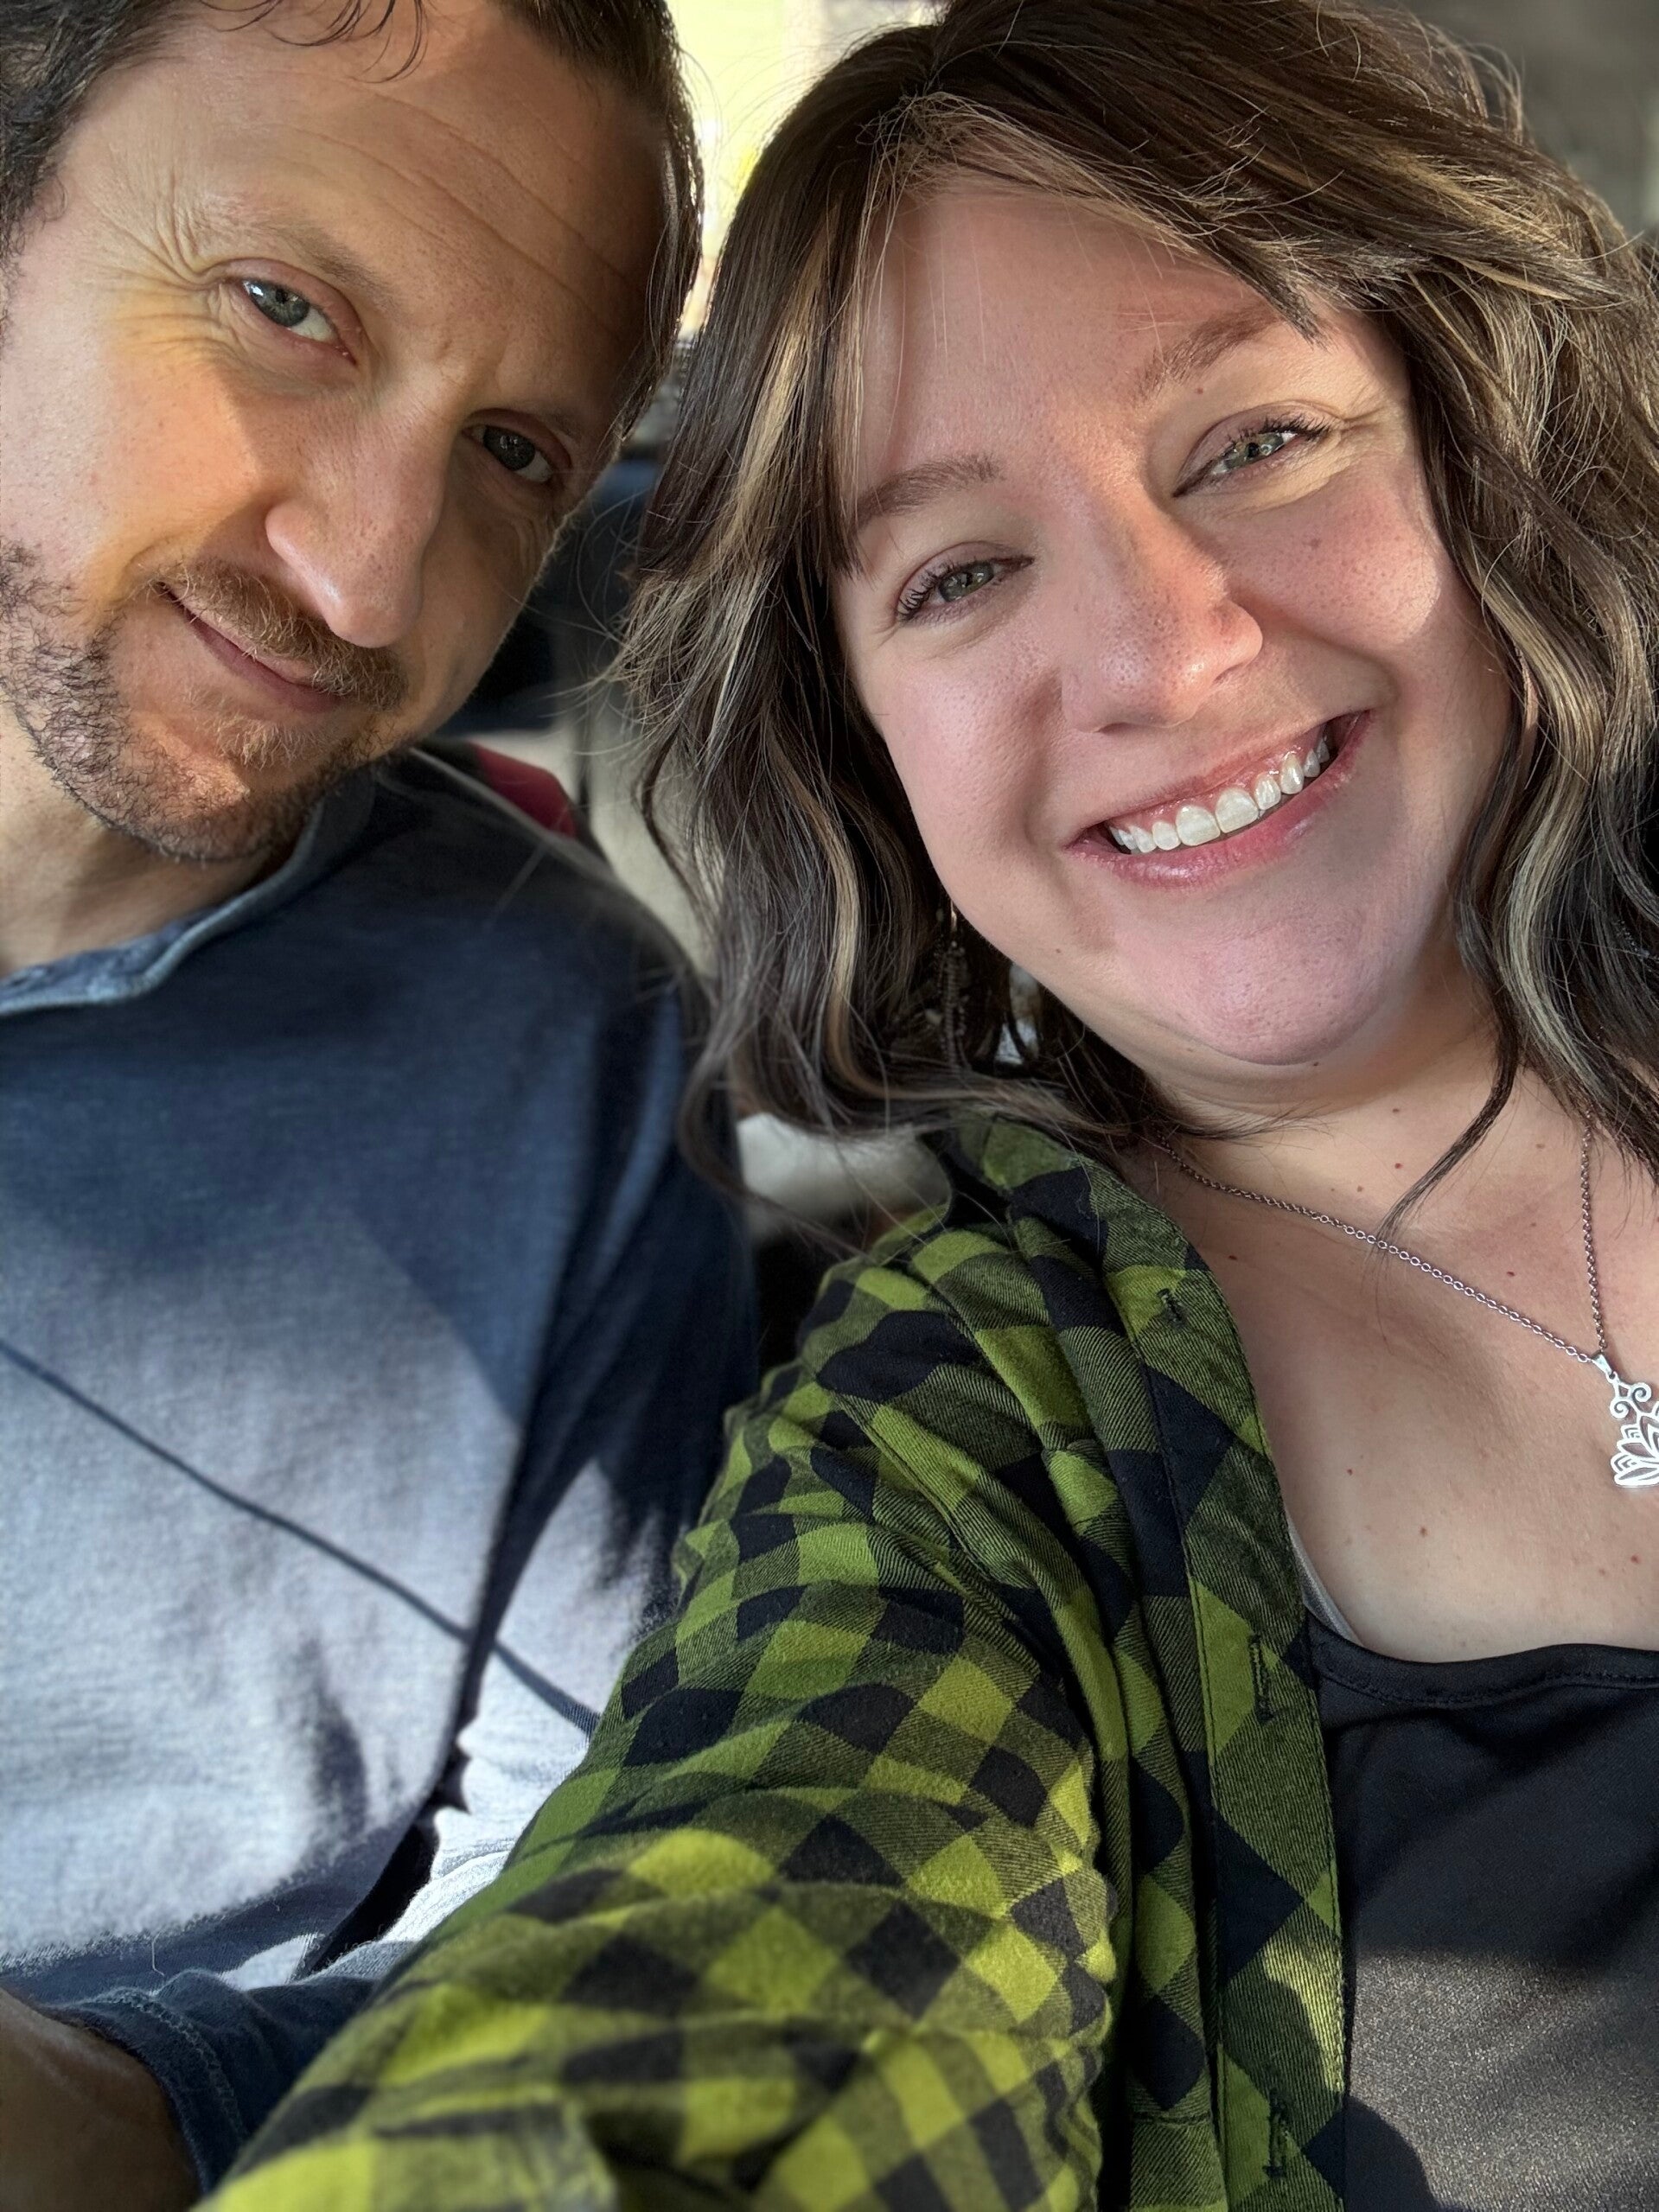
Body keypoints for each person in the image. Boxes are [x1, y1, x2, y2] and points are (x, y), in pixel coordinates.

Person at [201, 0, 1659, 2204]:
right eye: (961, 571)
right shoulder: (956, 1447)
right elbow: (738, 1971)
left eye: (1256, 443)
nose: (1164, 653)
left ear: (1486, 445)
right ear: (861, 741)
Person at [0, 1, 753, 2205]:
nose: (363, 578)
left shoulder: (570, 1057)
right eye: (287, 310)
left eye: (513, 451)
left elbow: (591, 1914)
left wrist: (126, 2112)